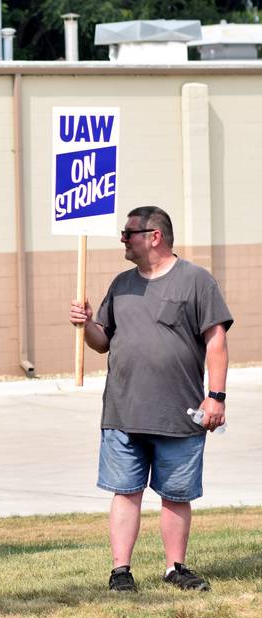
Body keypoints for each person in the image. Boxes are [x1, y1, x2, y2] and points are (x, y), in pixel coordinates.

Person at [70, 205, 231, 593]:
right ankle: (120, 572)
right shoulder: (121, 284)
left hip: (178, 412)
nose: (122, 239)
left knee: (176, 495)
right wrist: (86, 323)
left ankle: (175, 567)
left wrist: (216, 397)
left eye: (129, 233)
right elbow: (102, 342)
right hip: (123, 412)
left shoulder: (196, 281)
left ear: (154, 236)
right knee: (125, 492)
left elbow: (216, 342)